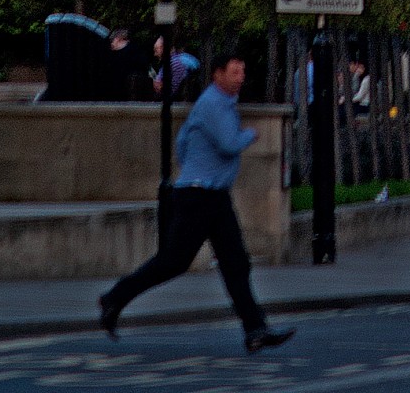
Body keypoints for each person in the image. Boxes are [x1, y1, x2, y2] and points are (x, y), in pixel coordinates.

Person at [99, 51, 292, 352]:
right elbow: (229, 144)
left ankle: (255, 329)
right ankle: (114, 298)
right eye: (235, 72)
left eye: (242, 72)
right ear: (218, 74)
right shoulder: (214, 104)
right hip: (199, 196)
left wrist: (196, 167)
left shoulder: (217, 104)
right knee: (173, 262)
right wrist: (249, 135)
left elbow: (183, 143)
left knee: (236, 263)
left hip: (211, 194)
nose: (241, 78)